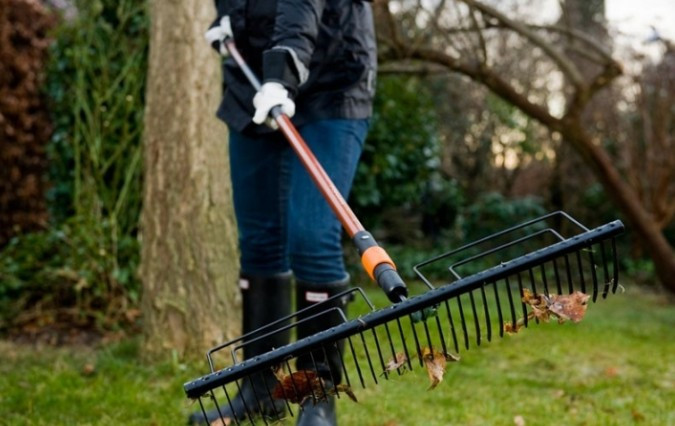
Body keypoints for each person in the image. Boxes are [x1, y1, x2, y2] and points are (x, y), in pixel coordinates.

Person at [189, 1, 377, 425]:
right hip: (253, 81)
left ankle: (317, 398)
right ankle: (260, 389)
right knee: (259, 241)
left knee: (312, 237)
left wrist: (282, 75)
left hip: (331, 79)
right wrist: (228, 18)